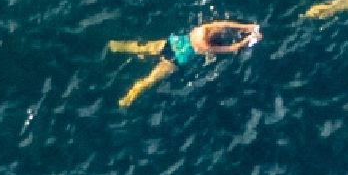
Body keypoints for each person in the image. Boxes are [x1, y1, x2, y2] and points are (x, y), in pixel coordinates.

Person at [109, 20, 261, 109]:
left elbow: (225, 23)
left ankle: (115, 46)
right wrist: (248, 39)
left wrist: (247, 27)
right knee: (149, 80)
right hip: (173, 60)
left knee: (140, 47)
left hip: (169, 44)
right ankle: (126, 99)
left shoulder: (202, 29)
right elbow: (231, 48)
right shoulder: (206, 46)